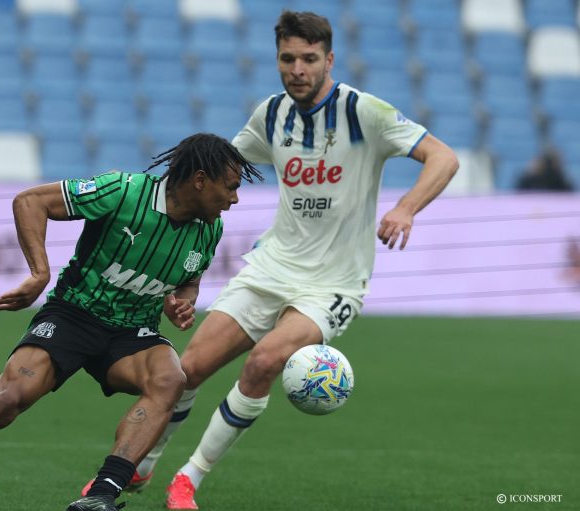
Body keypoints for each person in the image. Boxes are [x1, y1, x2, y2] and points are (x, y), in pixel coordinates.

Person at [108, 11, 459, 510]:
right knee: (187, 370)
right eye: (287, 58)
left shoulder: (364, 112)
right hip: (272, 266)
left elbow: (444, 158)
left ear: (329, 60)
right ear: (277, 59)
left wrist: (405, 208)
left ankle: (188, 478)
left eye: (309, 59)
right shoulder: (270, 115)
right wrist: (181, 259)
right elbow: (220, 172)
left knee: (265, 362)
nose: (297, 69)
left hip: (334, 283)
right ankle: (145, 462)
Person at [0, 133, 262, 511]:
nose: (235, 198)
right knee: (5, 401)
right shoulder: (123, 191)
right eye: (230, 187)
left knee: (170, 380)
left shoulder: (210, 229)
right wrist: (39, 274)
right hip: (74, 315)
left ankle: (100, 496)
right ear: (199, 180)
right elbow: (30, 201)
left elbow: (189, 280)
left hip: (132, 331)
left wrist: (181, 303)